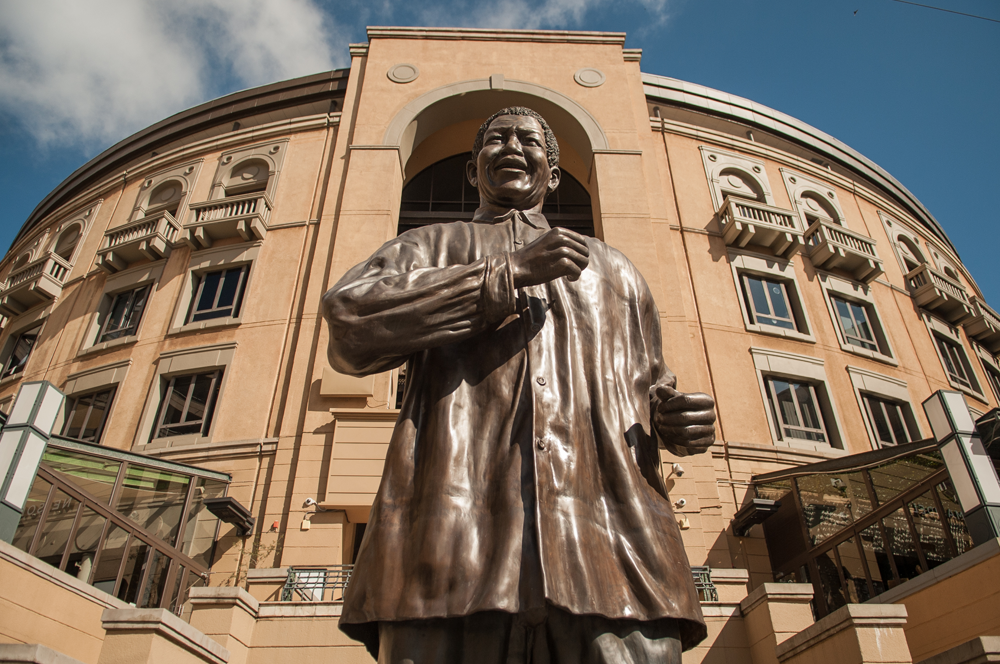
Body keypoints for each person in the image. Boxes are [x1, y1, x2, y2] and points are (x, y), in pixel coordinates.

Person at [323, 107, 716, 663]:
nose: (512, 146)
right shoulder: (426, 246)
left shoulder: (616, 270)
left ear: (553, 176)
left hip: (610, 545)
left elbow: (648, 381)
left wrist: (677, 417)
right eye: (496, 139)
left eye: (528, 139)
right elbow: (349, 323)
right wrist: (504, 273)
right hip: (454, 543)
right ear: (472, 170)